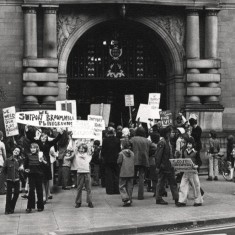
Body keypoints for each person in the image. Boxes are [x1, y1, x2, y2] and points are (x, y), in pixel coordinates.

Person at [155, 126, 179, 205]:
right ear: (167, 133)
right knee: (161, 183)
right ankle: (158, 198)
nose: (173, 134)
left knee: (173, 182)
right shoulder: (162, 142)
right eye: (171, 132)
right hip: (163, 166)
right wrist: (158, 166)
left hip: (170, 166)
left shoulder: (169, 142)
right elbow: (158, 156)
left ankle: (176, 198)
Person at [176, 137, 203, 207]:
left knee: (196, 186)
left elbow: (199, 162)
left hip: (193, 172)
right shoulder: (184, 151)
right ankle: (182, 201)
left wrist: (197, 166)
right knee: (182, 185)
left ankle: (198, 201)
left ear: (193, 144)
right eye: (187, 144)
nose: (188, 145)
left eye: (190, 144)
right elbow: (183, 160)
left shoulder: (195, 152)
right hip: (185, 171)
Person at [24, 143, 47, 213]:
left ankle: (40, 206)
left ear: (37, 148)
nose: (32, 149)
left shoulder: (41, 154)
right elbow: (26, 166)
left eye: (34, 148)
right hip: (31, 175)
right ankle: (29, 207)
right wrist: (26, 170)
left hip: (39, 175)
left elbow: (46, 165)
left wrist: (42, 160)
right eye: (31, 148)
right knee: (31, 191)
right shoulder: (28, 156)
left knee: (39, 191)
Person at [130, 126, 151, 200]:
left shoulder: (133, 139)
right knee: (141, 177)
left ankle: (129, 194)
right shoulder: (147, 141)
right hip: (144, 160)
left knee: (132, 177)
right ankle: (140, 195)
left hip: (134, 159)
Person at [3, 146, 23, 214]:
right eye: (15, 150)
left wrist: (22, 168)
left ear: (19, 153)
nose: (16, 152)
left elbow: (22, 168)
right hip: (9, 180)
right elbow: (4, 170)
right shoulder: (7, 160)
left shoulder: (20, 160)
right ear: (13, 151)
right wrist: (5, 179)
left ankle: (11, 207)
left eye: (18, 151)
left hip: (17, 179)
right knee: (9, 195)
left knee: (16, 194)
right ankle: (7, 210)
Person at [101, 127, 121, 195]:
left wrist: (103, 157)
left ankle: (110, 190)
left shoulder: (105, 140)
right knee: (116, 175)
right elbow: (119, 150)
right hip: (115, 159)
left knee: (109, 175)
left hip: (107, 160)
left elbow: (103, 151)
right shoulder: (118, 140)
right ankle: (116, 189)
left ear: (108, 133)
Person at [75, 143, 93, 208]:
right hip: (80, 172)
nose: (81, 150)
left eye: (83, 148)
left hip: (87, 171)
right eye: (80, 148)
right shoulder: (77, 154)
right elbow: (75, 149)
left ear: (85, 149)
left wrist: (85, 144)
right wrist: (79, 143)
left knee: (89, 188)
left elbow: (89, 149)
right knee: (79, 188)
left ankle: (90, 202)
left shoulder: (88, 155)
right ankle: (78, 202)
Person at [117, 139, 135, 207]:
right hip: (131, 172)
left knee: (122, 186)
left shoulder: (121, 153)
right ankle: (129, 199)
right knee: (129, 186)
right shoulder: (132, 153)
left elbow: (119, 162)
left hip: (123, 172)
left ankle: (125, 198)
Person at [0, 131, 6, 195]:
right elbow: (4, 154)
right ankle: (2, 190)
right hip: (0, 161)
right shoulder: (1, 144)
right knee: (1, 176)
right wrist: (5, 161)